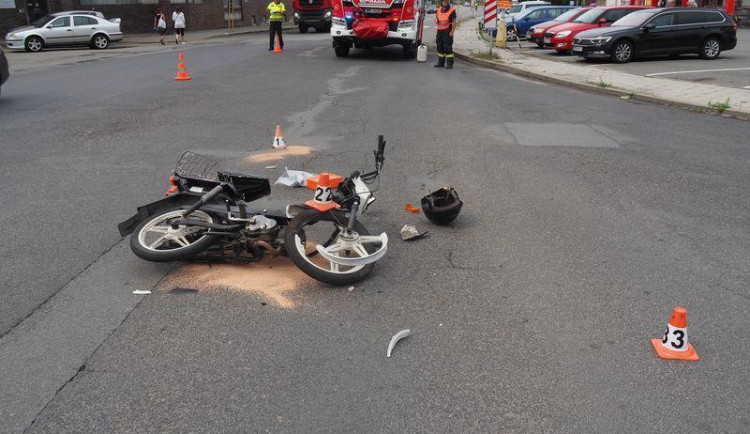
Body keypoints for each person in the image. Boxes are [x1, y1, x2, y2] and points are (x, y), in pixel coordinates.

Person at [434, 0, 457, 69]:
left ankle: (450, 64)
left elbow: (455, 22)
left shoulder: (452, 10)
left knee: (448, 48)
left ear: (448, 2)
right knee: (439, 47)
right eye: (443, 1)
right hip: (440, 31)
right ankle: (441, 63)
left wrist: (452, 32)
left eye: (446, 1)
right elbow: (436, 17)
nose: (444, 2)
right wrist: (436, 20)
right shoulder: (439, 9)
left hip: (447, 31)